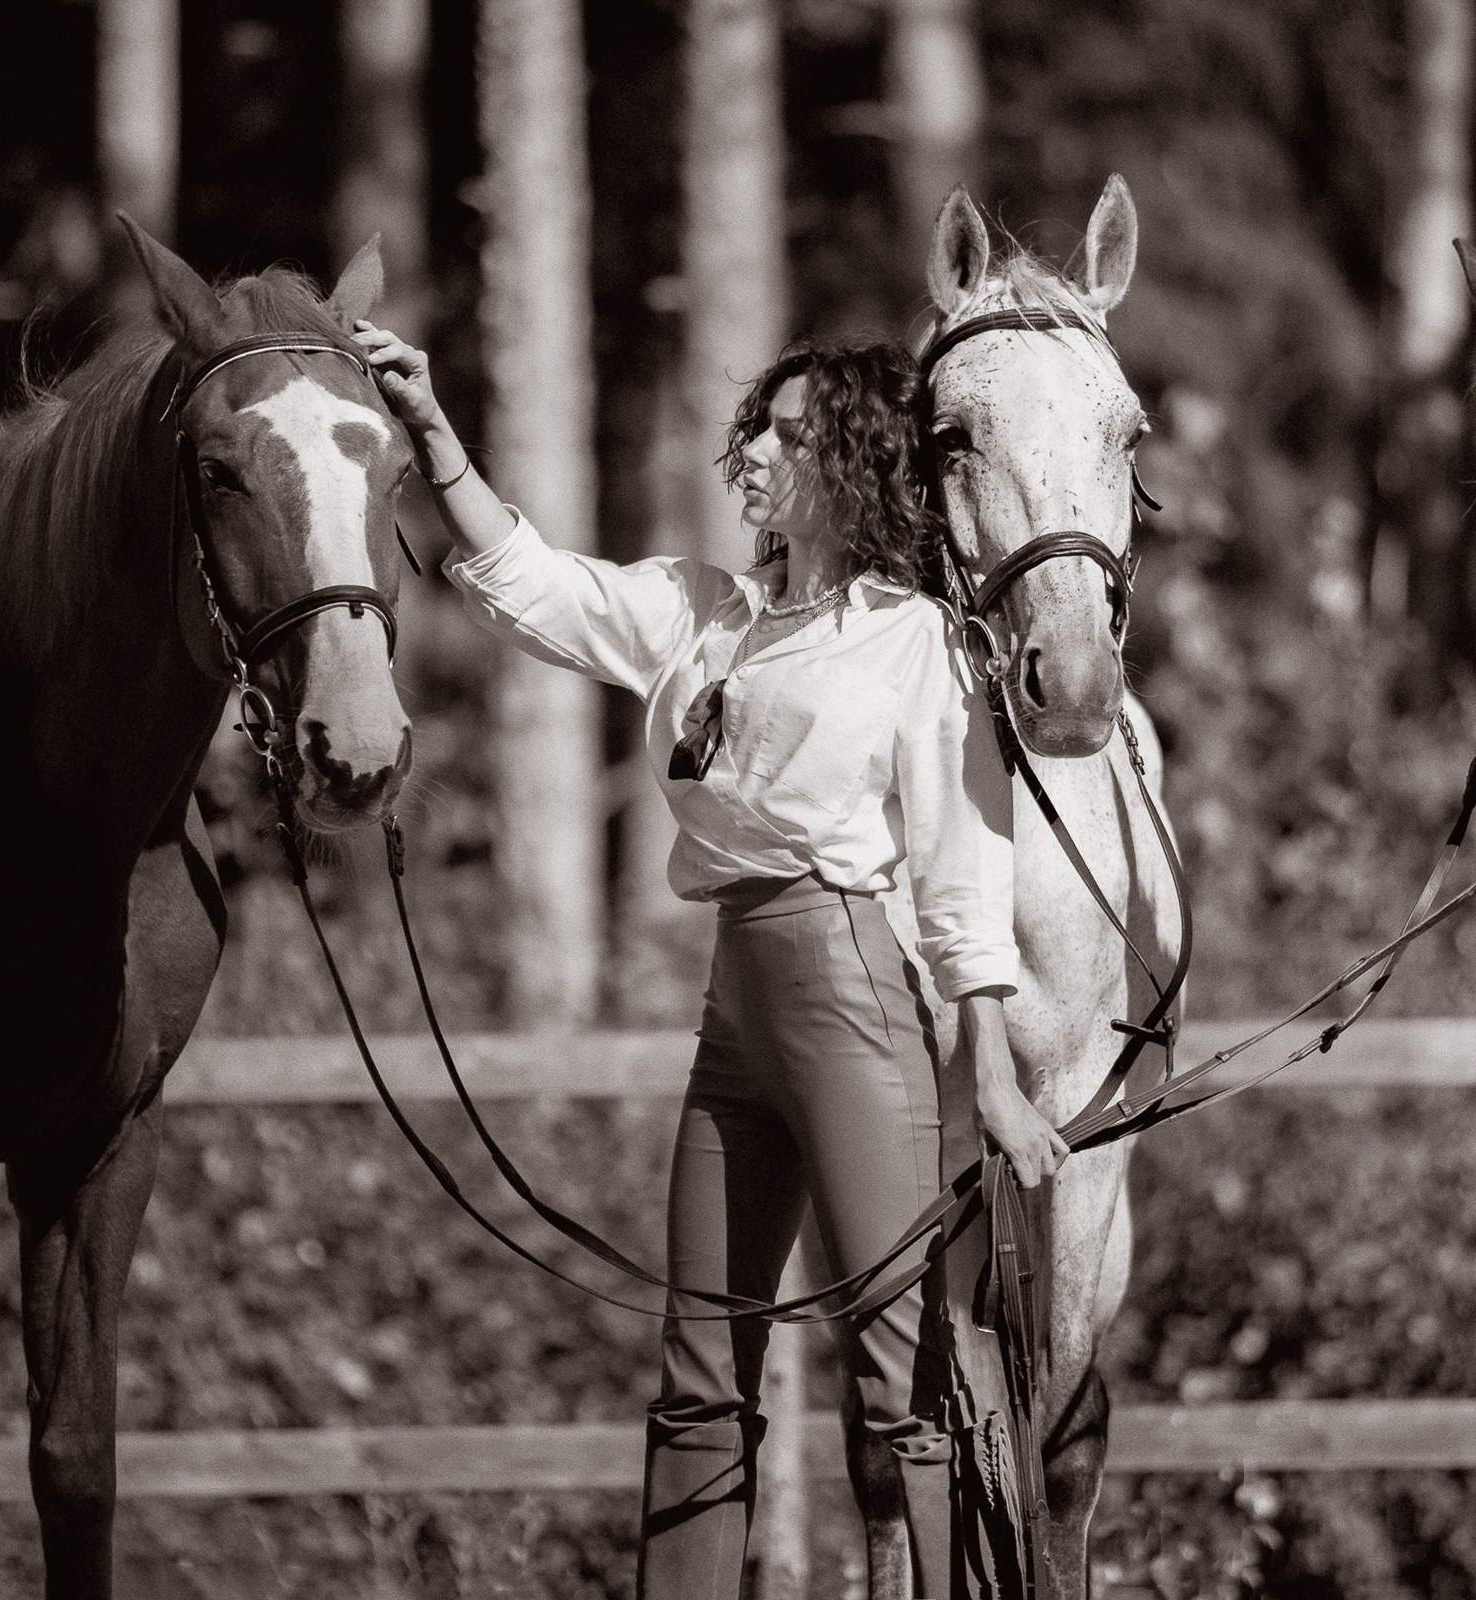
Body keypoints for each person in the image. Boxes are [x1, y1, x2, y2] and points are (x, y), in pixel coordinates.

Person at [356, 321, 1066, 1599]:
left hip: (851, 989)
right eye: (757, 429)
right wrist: (431, 432)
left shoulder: (913, 639)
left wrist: (994, 1067)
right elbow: (533, 578)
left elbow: (964, 870)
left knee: (903, 1368)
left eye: (791, 436)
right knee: (698, 1365)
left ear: (848, 463)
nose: (757, 455)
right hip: (736, 1000)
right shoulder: (700, 612)